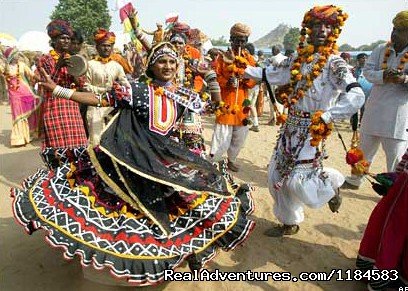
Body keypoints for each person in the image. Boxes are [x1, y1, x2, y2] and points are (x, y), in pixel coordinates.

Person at [11, 42, 255, 286]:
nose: (167, 66)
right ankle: (127, 261)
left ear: (177, 65)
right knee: (119, 212)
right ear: (152, 65)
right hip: (128, 160)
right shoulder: (136, 90)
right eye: (162, 61)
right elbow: (99, 99)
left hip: (164, 163)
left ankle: (185, 253)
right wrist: (58, 91)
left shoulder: (185, 95)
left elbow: (214, 106)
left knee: (190, 206)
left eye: (172, 61)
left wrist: (210, 76)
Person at [244, 5, 365, 235]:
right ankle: (289, 223)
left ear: (334, 30)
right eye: (316, 25)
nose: (321, 30)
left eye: (327, 26)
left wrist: (328, 116)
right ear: (308, 29)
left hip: (313, 130)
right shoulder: (296, 59)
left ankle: (332, 184)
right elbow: (272, 74)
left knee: (296, 181)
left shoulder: (335, 63)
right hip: (290, 127)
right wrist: (243, 69)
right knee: (276, 175)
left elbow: (357, 95)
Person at [343, 11, 408, 189]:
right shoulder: (381, 49)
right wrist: (383, 75)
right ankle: (356, 179)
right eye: (394, 28)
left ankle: (393, 190)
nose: (394, 33)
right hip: (374, 109)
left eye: (400, 30)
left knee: (395, 157)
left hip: (397, 115)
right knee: (364, 150)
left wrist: (404, 79)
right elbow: (368, 72)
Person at [36, 19, 88, 169]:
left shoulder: (72, 59)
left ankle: (76, 177)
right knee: (58, 148)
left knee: (78, 145)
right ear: (53, 40)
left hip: (72, 107)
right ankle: (59, 179)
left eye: (68, 38)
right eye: (62, 38)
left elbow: (81, 84)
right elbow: (47, 85)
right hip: (54, 108)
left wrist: (76, 74)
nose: (66, 41)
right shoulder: (45, 60)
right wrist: (58, 66)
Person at [356, 147, 408, 290]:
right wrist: (393, 179)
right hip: (402, 190)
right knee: (392, 231)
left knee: (394, 232)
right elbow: (404, 161)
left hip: (403, 194)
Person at [210, 23, 257, 172]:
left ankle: (231, 160)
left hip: (243, 104)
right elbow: (214, 78)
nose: (240, 44)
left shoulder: (249, 59)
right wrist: (227, 82)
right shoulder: (221, 58)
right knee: (221, 135)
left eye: (243, 40)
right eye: (237, 40)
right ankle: (214, 161)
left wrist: (244, 80)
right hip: (226, 103)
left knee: (239, 137)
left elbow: (254, 79)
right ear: (231, 39)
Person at [84, 28, 130, 144]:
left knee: (114, 142)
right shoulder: (90, 65)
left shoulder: (117, 66)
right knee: (96, 141)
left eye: (109, 46)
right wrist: (106, 90)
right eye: (103, 45)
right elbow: (85, 87)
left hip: (112, 108)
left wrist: (121, 90)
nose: (106, 48)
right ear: (97, 47)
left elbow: (126, 86)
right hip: (94, 106)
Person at [1, 47, 40, 146]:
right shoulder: (5, 67)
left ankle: (30, 134)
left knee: (30, 114)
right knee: (18, 116)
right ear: (11, 56)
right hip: (14, 95)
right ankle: (19, 139)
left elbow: (32, 75)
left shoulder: (22, 65)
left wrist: (43, 80)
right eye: (16, 54)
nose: (18, 56)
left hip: (26, 93)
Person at [349, 53, 373, 147]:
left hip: (367, 94)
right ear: (358, 60)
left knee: (364, 111)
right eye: (362, 58)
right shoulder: (353, 70)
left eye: (365, 58)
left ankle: (362, 128)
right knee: (354, 112)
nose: (364, 60)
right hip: (355, 95)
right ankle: (354, 130)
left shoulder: (369, 71)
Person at [267, 44, 287, 126]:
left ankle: (274, 118)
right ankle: (280, 117)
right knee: (281, 99)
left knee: (273, 100)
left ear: (275, 51)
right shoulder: (285, 58)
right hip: (284, 83)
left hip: (274, 82)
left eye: (272, 51)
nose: (272, 52)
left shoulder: (273, 59)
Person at [245, 43, 261, 132]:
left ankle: (255, 124)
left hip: (251, 85)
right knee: (251, 104)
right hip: (256, 86)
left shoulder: (249, 59)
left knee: (249, 104)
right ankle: (251, 121)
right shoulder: (256, 59)